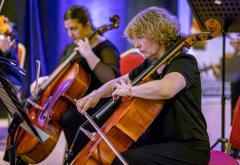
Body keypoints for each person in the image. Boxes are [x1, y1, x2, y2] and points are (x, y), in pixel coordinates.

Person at [76, 6, 210, 165]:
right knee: (112, 152)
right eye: (134, 39)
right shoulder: (150, 64)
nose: (136, 45)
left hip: (188, 147)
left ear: (158, 33)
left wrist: (131, 90)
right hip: (159, 141)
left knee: (123, 161)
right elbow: (117, 82)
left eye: (141, 37)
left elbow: (167, 89)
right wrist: (95, 94)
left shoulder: (183, 62)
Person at [30, 5, 120, 162]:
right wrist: (45, 80)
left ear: (87, 25)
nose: (70, 34)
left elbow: (111, 79)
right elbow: (59, 74)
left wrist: (89, 55)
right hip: (75, 101)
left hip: (100, 102)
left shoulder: (106, 48)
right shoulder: (71, 47)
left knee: (69, 118)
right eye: (67, 29)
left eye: (74, 28)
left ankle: (78, 158)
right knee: (30, 106)